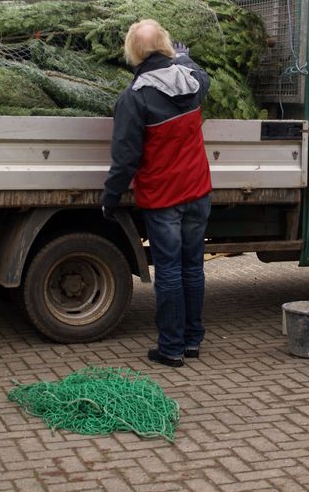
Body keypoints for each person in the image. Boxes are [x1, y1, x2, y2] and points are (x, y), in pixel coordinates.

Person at [101, 19, 212, 368]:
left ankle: (171, 348)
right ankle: (192, 341)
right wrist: (181, 56)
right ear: (166, 47)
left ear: (133, 53)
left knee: (168, 272)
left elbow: (125, 158)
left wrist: (111, 196)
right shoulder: (193, 82)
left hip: (164, 198)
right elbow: (196, 69)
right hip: (198, 192)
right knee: (193, 267)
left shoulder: (135, 98)